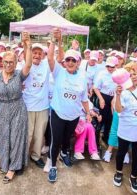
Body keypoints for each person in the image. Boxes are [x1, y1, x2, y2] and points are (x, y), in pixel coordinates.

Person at [46, 28, 92, 183]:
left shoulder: (82, 78)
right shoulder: (59, 71)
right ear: (64, 62)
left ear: (78, 62)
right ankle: (52, 166)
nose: (70, 62)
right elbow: (51, 58)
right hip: (58, 113)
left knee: (67, 139)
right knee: (56, 140)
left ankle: (65, 154)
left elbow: (84, 98)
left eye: (74, 60)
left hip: (74, 115)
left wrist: (89, 113)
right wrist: (54, 40)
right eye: (68, 60)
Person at [0, 32, 32, 183]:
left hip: (18, 108)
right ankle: (5, 164)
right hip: (1, 110)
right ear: (1, 62)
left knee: (16, 138)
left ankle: (13, 167)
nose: (8, 65)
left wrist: (28, 45)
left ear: (15, 63)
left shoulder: (19, 75)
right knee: (4, 138)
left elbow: (28, 64)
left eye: (11, 62)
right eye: (5, 62)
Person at [112, 68, 137, 193]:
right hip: (125, 129)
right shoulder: (122, 92)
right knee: (121, 153)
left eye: (134, 74)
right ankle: (119, 173)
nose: (133, 77)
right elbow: (118, 110)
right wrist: (118, 95)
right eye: (129, 75)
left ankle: (133, 177)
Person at [22, 43, 50, 169]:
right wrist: (26, 44)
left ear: (43, 55)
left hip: (43, 107)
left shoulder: (46, 65)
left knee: (39, 134)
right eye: (34, 52)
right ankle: (22, 157)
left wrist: (56, 41)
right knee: (27, 134)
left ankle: (36, 156)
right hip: (27, 106)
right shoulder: (24, 65)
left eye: (40, 53)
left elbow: (57, 58)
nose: (37, 55)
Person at [93, 56, 118, 146]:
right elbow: (95, 87)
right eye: (108, 66)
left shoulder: (119, 73)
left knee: (110, 120)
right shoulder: (102, 74)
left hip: (114, 98)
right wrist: (101, 99)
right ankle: (96, 140)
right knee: (101, 119)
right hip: (103, 97)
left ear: (116, 65)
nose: (110, 68)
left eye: (112, 66)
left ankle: (106, 137)